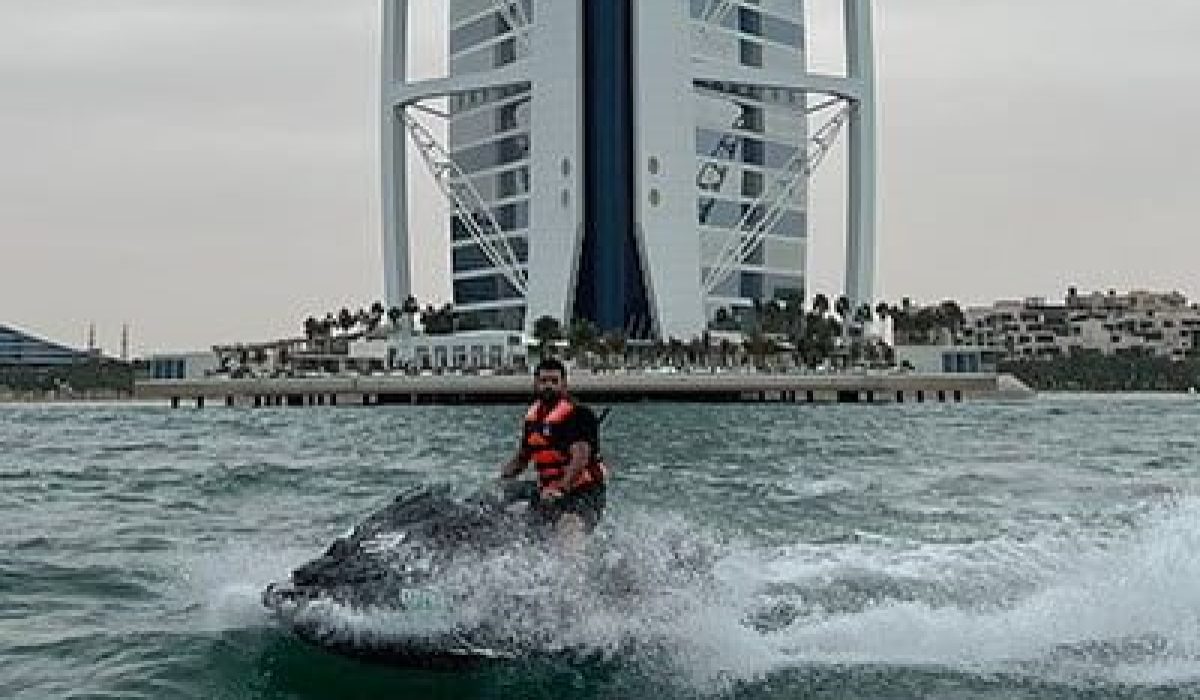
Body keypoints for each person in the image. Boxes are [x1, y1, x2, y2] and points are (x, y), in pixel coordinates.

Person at [500, 357, 607, 542]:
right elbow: (522, 458)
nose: (548, 386)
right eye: (543, 381)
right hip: (548, 490)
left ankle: (574, 569)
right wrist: (501, 480)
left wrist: (561, 488)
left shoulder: (579, 415)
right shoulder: (533, 419)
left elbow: (580, 459)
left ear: (564, 384)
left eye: (554, 381)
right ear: (535, 384)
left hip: (584, 492)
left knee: (569, 528)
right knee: (517, 518)